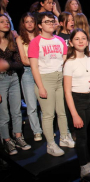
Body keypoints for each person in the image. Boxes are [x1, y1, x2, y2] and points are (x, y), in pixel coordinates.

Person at [28, 12, 74, 157]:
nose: (51, 24)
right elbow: (34, 67)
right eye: (47, 22)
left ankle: (64, 137)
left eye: (52, 21)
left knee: (61, 111)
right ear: (40, 25)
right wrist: (40, 86)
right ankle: (50, 144)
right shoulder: (36, 42)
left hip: (59, 78)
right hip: (45, 78)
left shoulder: (60, 40)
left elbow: (64, 60)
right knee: (48, 114)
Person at [63, 28, 90, 177]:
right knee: (82, 138)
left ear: (87, 42)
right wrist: (74, 115)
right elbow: (67, 91)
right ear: (71, 43)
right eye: (77, 39)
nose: (81, 41)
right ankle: (84, 167)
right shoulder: (69, 63)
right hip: (76, 101)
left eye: (83, 38)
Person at [0, 14, 31, 155]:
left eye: (7, 21)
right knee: (4, 112)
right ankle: (7, 140)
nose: (6, 23)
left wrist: (7, 65)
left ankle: (18, 137)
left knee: (16, 110)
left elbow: (19, 63)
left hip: (13, 78)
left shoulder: (11, 41)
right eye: (2, 22)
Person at [16, 12, 42, 141]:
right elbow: (24, 60)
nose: (30, 24)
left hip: (42, 72)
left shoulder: (41, 37)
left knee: (44, 104)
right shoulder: (20, 38)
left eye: (32, 21)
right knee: (32, 106)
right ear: (23, 24)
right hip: (28, 73)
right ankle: (37, 131)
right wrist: (38, 62)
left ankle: (46, 129)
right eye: (27, 21)